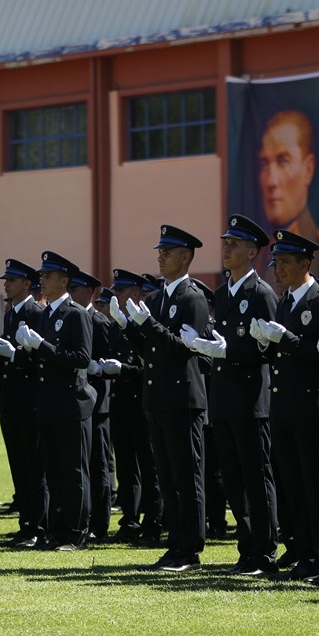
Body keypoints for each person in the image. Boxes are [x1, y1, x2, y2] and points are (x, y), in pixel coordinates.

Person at [112, 225, 212, 573]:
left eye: (167, 252)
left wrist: (149, 327)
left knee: (187, 477)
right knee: (167, 478)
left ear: (185, 257)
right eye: (160, 251)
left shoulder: (193, 298)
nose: (160, 256)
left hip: (183, 398)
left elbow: (187, 350)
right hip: (157, 397)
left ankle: (191, 551)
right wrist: (129, 328)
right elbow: (149, 353)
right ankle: (175, 545)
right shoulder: (156, 299)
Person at [186, 214, 280, 575]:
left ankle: (265, 552)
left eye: (235, 244)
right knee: (234, 480)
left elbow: (269, 351)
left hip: (251, 400)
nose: (226, 248)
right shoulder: (224, 294)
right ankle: (246, 550)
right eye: (225, 242)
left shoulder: (261, 294)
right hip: (223, 399)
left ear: (252, 251)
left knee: (257, 477)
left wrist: (229, 351)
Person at [254, 230, 319, 585]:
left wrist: (285, 340)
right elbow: (281, 354)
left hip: (314, 408)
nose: (278, 268)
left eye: (286, 262)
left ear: (306, 264)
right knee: (294, 487)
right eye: (276, 262)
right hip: (285, 407)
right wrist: (267, 344)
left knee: (318, 488)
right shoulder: (286, 301)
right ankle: (304, 554)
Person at [6, 252, 95, 551]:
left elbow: (81, 358)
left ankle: (77, 532)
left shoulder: (76, 314)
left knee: (73, 472)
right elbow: (42, 358)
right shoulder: (47, 314)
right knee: (54, 473)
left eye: (48, 275)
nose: (41, 279)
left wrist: (41, 346)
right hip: (47, 403)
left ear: (64, 280)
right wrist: (27, 350)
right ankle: (57, 531)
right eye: (41, 275)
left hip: (71, 403)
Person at [0, 259, 47, 548]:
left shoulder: (37, 312)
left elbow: (41, 358)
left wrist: (15, 356)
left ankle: (38, 525)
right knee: (18, 467)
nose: (6, 284)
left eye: (11, 280)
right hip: (11, 400)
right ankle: (26, 523)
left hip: (31, 401)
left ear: (27, 284)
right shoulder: (12, 314)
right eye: (5, 280)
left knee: (34, 467)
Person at [102, 268, 163, 545]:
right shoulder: (117, 325)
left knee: (149, 467)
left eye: (122, 291)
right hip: (120, 403)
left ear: (137, 294)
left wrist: (123, 369)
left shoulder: (145, 323)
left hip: (142, 403)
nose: (116, 295)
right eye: (115, 291)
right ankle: (129, 519)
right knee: (126, 467)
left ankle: (154, 521)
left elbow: (150, 367)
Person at [257, 110, 319, 287]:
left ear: (308, 169)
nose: (271, 181)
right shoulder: (259, 254)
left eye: (283, 160)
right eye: (265, 163)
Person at [69, 269, 114, 543]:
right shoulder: (73, 316)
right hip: (77, 400)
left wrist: (96, 366)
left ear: (89, 291)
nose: (72, 293)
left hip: (97, 401)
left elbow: (109, 361)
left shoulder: (98, 321)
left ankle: (100, 523)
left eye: (76, 288)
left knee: (98, 463)